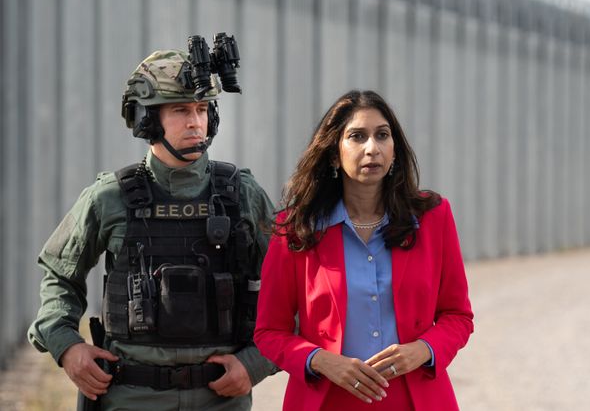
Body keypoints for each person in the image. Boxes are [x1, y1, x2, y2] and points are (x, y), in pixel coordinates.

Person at [28, 45, 276, 410]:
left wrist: (255, 363)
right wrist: (67, 346)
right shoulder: (108, 197)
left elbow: (294, 286)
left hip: (222, 398)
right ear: (146, 119)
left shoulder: (243, 195)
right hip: (129, 396)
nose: (195, 122)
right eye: (180, 110)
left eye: (202, 109)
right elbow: (58, 275)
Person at [254, 90, 474, 410]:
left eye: (382, 135)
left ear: (394, 149)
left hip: (416, 401)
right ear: (333, 154)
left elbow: (458, 315)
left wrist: (424, 349)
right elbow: (269, 332)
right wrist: (319, 360)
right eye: (357, 137)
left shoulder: (433, 217)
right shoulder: (297, 228)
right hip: (327, 401)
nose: (372, 148)